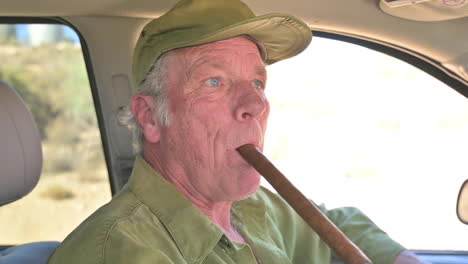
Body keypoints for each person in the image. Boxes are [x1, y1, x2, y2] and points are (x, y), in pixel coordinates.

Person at [47, 0, 428, 263]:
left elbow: (337, 224)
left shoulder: (253, 207)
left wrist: (399, 259)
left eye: (258, 84)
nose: (256, 105)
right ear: (149, 117)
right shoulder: (118, 252)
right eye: (214, 82)